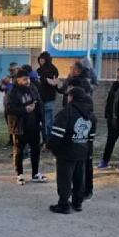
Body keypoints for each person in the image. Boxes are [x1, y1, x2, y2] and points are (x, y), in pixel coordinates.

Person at [47, 86, 95, 214]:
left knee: (64, 179)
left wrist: (50, 146)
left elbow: (57, 135)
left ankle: (63, 205)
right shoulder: (90, 114)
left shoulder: (66, 113)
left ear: (71, 97)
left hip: (66, 151)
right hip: (82, 151)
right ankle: (77, 203)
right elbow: (91, 136)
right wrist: (88, 152)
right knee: (79, 178)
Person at [6, 68, 47, 185]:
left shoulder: (33, 88)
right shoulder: (13, 92)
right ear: (18, 80)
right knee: (19, 151)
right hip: (20, 126)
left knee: (35, 150)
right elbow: (9, 109)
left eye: (28, 78)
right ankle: (19, 174)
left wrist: (41, 120)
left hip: (34, 126)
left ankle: (35, 173)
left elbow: (39, 104)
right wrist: (25, 109)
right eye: (24, 79)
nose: (27, 81)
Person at [36, 51, 59, 147]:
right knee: (43, 122)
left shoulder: (53, 70)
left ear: (47, 59)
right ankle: (45, 141)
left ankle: (49, 141)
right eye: (40, 59)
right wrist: (46, 80)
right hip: (40, 99)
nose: (41, 61)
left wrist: (44, 79)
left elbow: (53, 82)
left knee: (48, 122)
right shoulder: (39, 70)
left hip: (49, 99)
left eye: (43, 59)